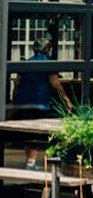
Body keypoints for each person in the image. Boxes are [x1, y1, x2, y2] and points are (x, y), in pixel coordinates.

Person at [11, 35, 72, 169]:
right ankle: (38, 160)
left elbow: (17, 83)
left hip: (23, 103)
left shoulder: (25, 63)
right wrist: (67, 101)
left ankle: (31, 160)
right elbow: (55, 85)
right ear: (48, 49)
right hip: (40, 103)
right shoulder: (49, 64)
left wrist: (15, 100)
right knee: (49, 129)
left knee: (27, 130)